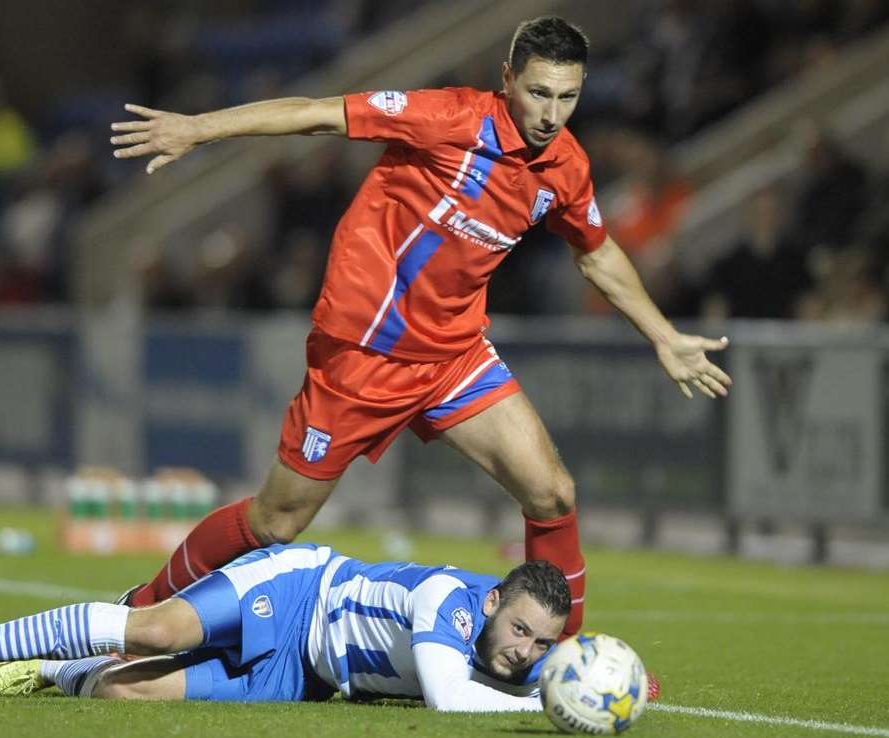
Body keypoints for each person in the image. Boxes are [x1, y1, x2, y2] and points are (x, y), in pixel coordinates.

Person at [108, 16, 732, 637]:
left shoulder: (565, 168)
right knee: (276, 523)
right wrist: (197, 129)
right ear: (508, 78)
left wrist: (663, 335)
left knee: (553, 496)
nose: (552, 113)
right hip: (361, 356)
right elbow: (315, 112)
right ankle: (141, 607)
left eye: (568, 96)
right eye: (539, 92)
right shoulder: (445, 118)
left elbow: (595, 253)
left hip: (454, 356)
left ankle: (562, 655)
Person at [0, 545, 570, 711]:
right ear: (490, 606)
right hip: (297, 592)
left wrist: (594, 683)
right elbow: (449, 700)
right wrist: (545, 708)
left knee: (120, 692)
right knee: (157, 630)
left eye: (539, 643)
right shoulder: (448, 602)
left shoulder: (525, 648)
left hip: (306, 674)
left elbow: (568, 665)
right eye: (519, 631)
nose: (524, 651)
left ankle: (46, 672)